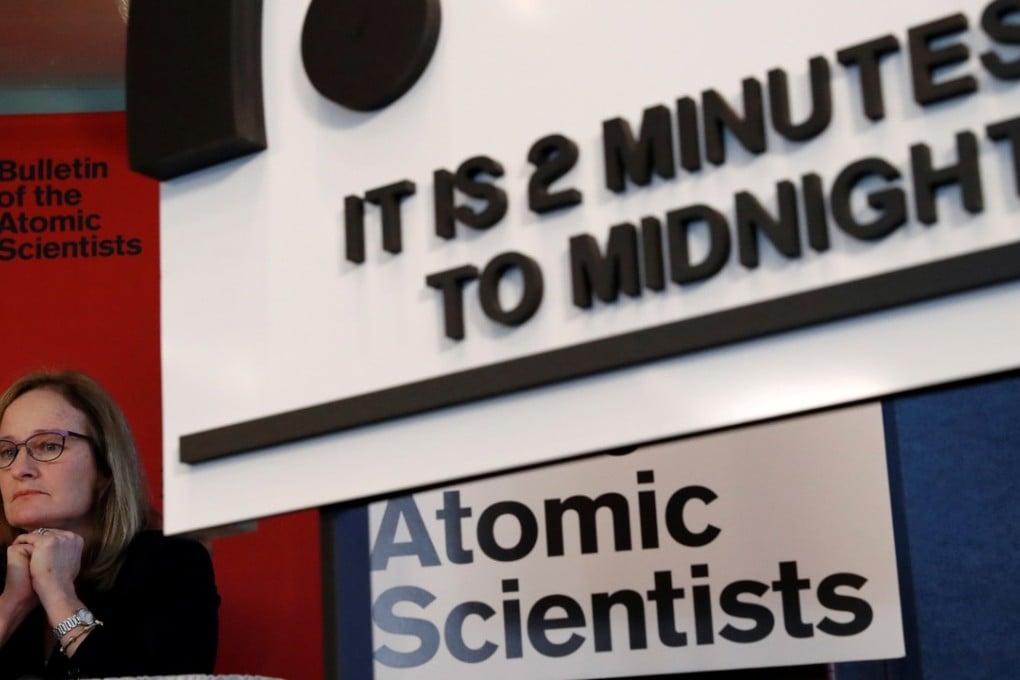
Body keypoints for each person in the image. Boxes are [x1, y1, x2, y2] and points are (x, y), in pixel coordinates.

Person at [0, 370, 219, 679]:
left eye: (49, 446)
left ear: (106, 466)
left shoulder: (172, 563)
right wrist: (10, 605)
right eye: (7, 451)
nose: (20, 468)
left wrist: (60, 595)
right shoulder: (4, 577)